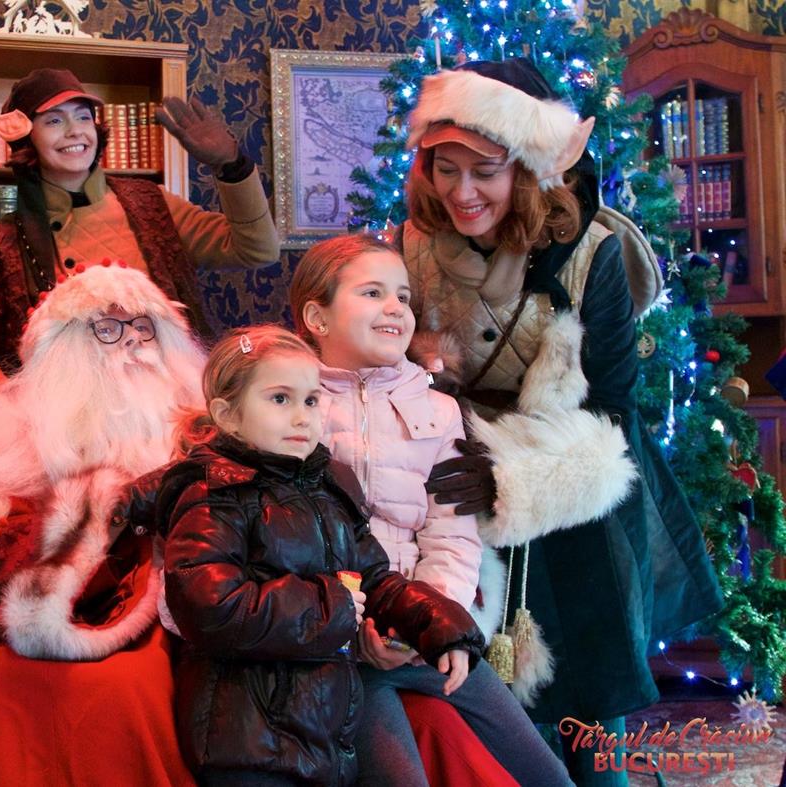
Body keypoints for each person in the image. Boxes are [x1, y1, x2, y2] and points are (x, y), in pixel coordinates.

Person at [398, 58, 723, 783]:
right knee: (498, 728)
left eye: (484, 170)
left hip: (574, 494)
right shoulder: (411, 247)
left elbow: (612, 411)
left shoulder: (595, 252)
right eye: (445, 169)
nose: (461, 191)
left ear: (527, 168)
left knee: (589, 711)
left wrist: (511, 478)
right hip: (459, 496)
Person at [290, 233, 572, 786]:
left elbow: (451, 535)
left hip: (425, 628)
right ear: (317, 318)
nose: (396, 307)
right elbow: (289, 539)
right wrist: (356, 629)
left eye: (403, 296)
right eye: (372, 293)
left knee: (544, 772)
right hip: (344, 645)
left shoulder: (439, 410)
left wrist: (428, 622)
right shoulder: (292, 407)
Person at [157, 325, 487, 786]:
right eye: (280, 399)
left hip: (323, 725)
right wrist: (329, 604)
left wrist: (439, 624)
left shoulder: (327, 487)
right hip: (248, 732)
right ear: (228, 415)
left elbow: (375, 578)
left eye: (311, 400)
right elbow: (209, 605)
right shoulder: (214, 494)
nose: (302, 417)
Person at [0, 262, 207, 786]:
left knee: (131, 685)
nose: (131, 341)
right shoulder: (18, 424)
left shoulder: (198, 419)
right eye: (107, 328)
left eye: (143, 326)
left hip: (168, 592)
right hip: (50, 584)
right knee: (11, 681)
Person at [0, 67, 281, 399]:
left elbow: (258, 250)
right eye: (54, 121)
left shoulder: (150, 204)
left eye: (83, 117)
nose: (74, 131)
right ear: (26, 138)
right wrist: (10, 402)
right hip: (67, 416)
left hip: (169, 409)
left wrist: (232, 167)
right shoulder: (5, 240)